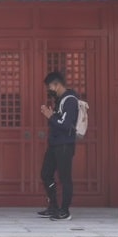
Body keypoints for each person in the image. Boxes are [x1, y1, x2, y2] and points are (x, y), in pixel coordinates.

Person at [37, 71, 79, 221]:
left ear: (57, 85)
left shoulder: (70, 100)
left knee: (65, 178)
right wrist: (52, 115)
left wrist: (50, 116)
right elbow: (58, 120)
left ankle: (65, 211)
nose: (49, 90)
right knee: (46, 174)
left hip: (65, 144)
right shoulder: (59, 100)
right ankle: (53, 206)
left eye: (50, 87)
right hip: (55, 143)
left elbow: (66, 125)